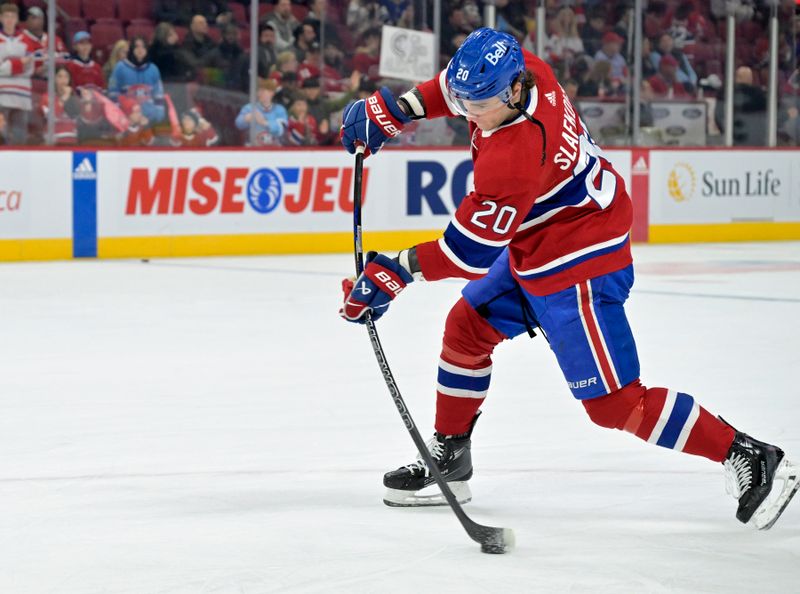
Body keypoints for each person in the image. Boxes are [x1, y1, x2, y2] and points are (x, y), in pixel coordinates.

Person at [337, 28, 799, 528]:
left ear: (513, 92)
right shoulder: (520, 70)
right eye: (467, 99)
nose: (469, 112)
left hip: (579, 260)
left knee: (616, 404)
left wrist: (394, 273)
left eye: (481, 103)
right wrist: (392, 110)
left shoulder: (512, 158)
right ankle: (452, 458)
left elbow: (466, 252)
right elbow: (449, 88)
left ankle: (749, 455)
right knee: (466, 328)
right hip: (542, 241)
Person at [0, 3, 37, 144]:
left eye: (12, 16)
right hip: (1, 96)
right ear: (1, 18)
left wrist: (7, 64)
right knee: (1, 139)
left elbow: (29, 68)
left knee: (19, 140)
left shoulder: (27, 40)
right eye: (6, 16)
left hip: (21, 97)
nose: (9, 19)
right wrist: (19, 62)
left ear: (17, 19)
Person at [108, 35, 166, 124]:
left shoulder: (153, 69)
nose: (140, 50)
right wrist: (121, 117)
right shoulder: (120, 67)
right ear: (131, 49)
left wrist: (157, 118)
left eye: (143, 47)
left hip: (149, 121)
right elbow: (113, 94)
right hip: (126, 120)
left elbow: (158, 95)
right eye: (137, 47)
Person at [234, 78, 287, 145]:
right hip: (253, 148)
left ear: (271, 93)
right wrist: (246, 118)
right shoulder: (249, 107)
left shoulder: (280, 109)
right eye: (258, 91)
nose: (259, 93)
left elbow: (282, 130)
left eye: (263, 91)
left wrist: (264, 122)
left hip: (274, 150)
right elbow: (238, 124)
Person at [41, 65, 80, 144]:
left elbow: (79, 118)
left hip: (72, 139)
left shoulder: (74, 99)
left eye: (66, 77)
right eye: (60, 76)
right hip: (53, 140)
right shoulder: (47, 97)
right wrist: (64, 98)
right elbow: (51, 116)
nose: (63, 80)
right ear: (54, 79)